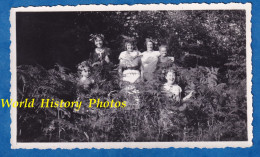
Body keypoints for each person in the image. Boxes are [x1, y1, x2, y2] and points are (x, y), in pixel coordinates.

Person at [118, 40, 142, 110]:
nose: (130, 46)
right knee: (127, 91)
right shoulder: (123, 54)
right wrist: (120, 77)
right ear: (126, 46)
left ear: (133, 46)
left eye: (131, 45)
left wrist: (141, 76)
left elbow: (141, 66)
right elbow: (120, 67)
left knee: (136, 92)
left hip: (136, 73)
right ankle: (127, 110)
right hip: (126, 73)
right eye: (128, 45)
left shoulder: (137, 53)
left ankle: (137, 109)